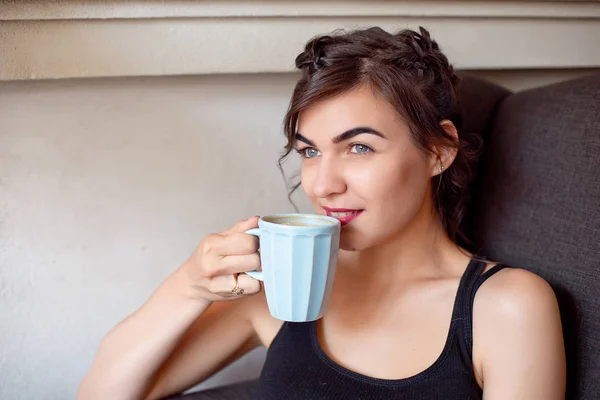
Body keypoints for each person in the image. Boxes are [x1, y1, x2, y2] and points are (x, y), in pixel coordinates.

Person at [77, 27, 566, 400]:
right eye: (309, 152)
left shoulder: (506, 307)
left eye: (358, 147)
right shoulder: (280, 288)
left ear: (439, 150)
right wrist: (187, 284)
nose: (323, 185)